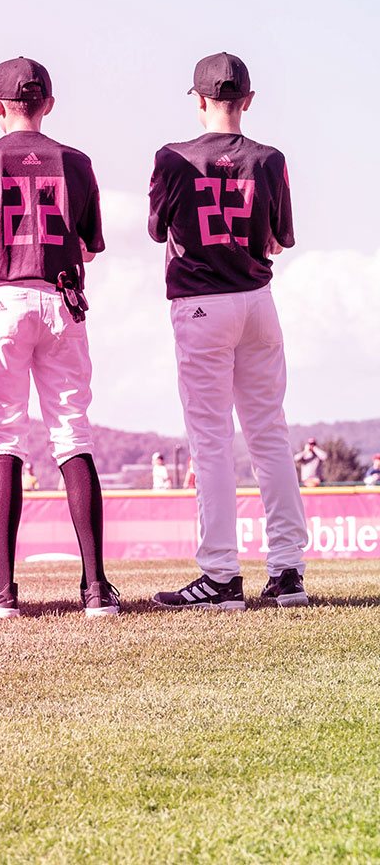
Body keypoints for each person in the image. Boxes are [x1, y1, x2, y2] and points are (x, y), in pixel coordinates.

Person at [0, 57, 117, 618]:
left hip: (6, 295)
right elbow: (89, 247)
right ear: (50, 104)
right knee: (73, 431)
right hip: (62, 296)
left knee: (3, 436)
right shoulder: (79, 163)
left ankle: (1, 588)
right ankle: (95, 590)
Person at [147, 53, 309, 610]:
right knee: (270, 434)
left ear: (197, 100)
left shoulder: (172, 159)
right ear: (249, 99)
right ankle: (288, 571)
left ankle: (220, 575)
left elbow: (156, 229)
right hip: (257, 299)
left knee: (212, 441)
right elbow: (281, 238)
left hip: (201, 304)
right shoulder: (269, 159)